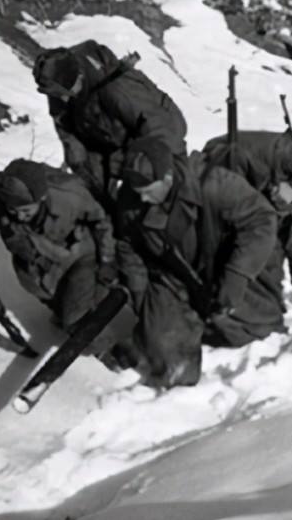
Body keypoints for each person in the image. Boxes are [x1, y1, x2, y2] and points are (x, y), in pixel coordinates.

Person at [113, 139, 282, 387]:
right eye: (139, 193)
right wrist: (140, 294)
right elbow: (127, 245)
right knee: (163, 347)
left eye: (149, 191)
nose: (144, 199)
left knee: (258, 331)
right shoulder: (131, 200)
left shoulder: (213, 182)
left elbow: (262, 219)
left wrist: (237, 276)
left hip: (223, 269)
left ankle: (216, 321)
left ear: (168, 177)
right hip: (174, 278)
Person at [0, 159, 126, 354]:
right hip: (37, 266)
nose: (18, 216)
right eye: (12, 211)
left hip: (80, 256)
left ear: (41, 198)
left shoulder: (70, 194)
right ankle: (70, 314)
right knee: (55, 300)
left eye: (25, 211)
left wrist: (107, 260)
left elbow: (102, 222)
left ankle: (107, 351)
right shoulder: (2, 196)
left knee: (76, 316)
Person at [201, 130, 292, 314]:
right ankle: (272, 299)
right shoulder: (212, 169)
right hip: (265, 192)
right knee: (266, 242)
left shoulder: (279, 150)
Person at [32, 40, 188, 206]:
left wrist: (165, 177)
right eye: (57, 94)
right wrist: (80, 167)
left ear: (79, 77)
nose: (62, 99)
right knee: (97, 194)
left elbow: (160, 127)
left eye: (65, 93)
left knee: (154, 187)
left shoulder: (116, 88)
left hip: (153, 133)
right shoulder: (58, 84)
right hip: (104, 137)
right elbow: (66, 129)